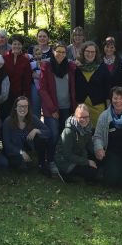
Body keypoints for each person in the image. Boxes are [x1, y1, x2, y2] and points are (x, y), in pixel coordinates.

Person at [38, 41, 77, 176]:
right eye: (58, 51)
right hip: (52, 108)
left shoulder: (71, 66)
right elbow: (42, 89)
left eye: (63, 52)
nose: (60, 54)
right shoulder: (46, 66)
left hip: (67, 107)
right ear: (53, 52)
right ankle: (50, 161)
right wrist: (53, 109)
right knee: (53, 134)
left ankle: (62, 159)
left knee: (64, 134)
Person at [3, 96, 50, 172]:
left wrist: (36, 130)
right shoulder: (8, 122)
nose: (23, 109)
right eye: (20, 106)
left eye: (25, 106)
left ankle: (41, 164)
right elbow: (7, 145)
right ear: (15, 107)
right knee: (21, 166)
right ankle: (26, 163)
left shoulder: (32, 118)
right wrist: (21, 152)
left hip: (28, 148)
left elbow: (48, 132)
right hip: (15, 151)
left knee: (41, 139)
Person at [55, 104, 97, 183]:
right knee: (92, 173)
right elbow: (67, 155)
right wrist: (87, 161)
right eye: (81, 117)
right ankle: (64, 174)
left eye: (86, 117)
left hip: (79, 155)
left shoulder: (88, 128)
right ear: (75, 117)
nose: (84, 120)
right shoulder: (68, 132)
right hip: (65, 161)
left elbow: (90, 145)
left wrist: (98, 152)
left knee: (98, 163)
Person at [74, 41, 111, 126]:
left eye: (92, 52)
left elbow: (107, 88)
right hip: (81, 108)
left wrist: (109, 108)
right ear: (83, 52)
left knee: (98, 133)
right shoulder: (77, 67)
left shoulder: (102, 67)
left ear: (96, 53)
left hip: (98, 107)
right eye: (87, 51)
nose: (90, 54)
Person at [3, 34, 32, 113]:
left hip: (19, 95)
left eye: (19, 44)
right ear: (11, 45)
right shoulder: (5, 57)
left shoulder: (25, 60)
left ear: (22, 45)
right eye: (14, 44)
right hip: (5, 94)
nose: (17, 46)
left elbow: (27, 81)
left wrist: (26, 97)